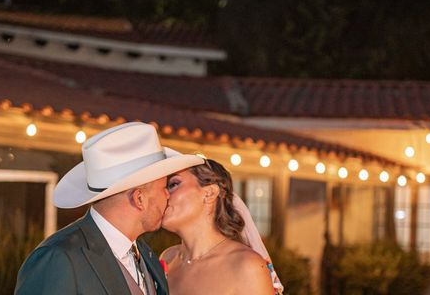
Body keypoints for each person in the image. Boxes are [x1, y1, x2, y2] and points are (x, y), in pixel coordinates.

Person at [15, 122, 204, 295]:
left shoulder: (148, 257)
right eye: (164, 187)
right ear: (139, 198)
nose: (168, 195)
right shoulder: (58, 258)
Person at [160, 159, 284, 295]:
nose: (164, 194)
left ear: (209, 193)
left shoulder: (246, 266)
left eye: (173, 184)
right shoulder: (167, 258)